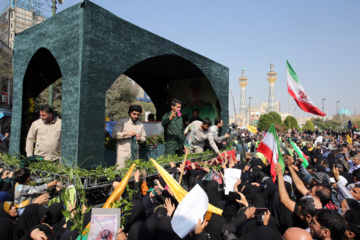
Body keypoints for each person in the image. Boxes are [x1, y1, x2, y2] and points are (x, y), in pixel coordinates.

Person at [111, 105, 146, 169]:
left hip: (135, 155)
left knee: (133, 175)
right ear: (129, 113)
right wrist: (126, 133)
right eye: (134, 114)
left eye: (138, 115)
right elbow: (114, 134)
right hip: (123, 154)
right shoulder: (122, 122)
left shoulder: (140, 124)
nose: (136, 116)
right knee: (120, 174)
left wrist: (140, 139)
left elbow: (144, 138)